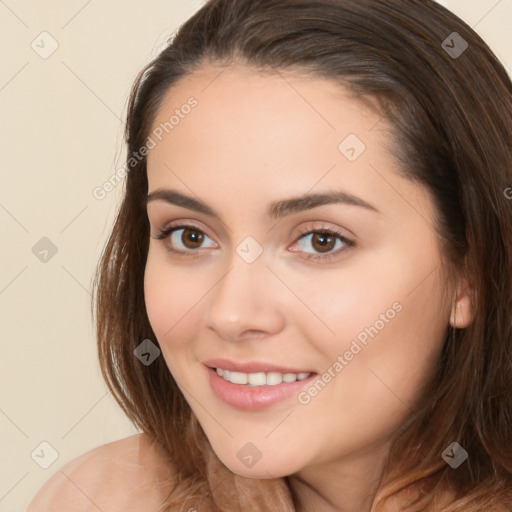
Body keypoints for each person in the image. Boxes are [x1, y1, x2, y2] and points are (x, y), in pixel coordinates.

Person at [27, 0, 512, 510]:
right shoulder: (98, 497)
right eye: (190, 236)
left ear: (470, 272)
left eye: (321, 240)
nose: (231, 314)